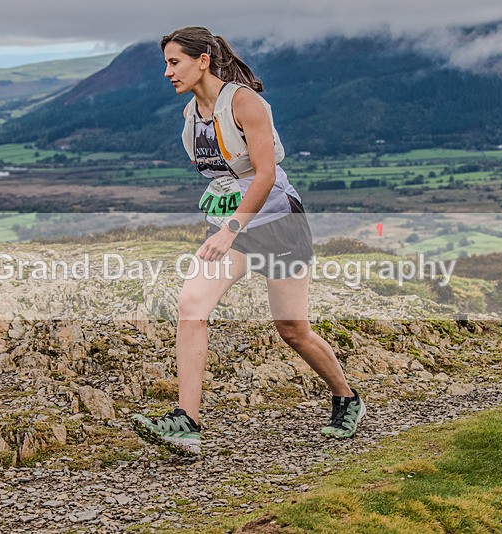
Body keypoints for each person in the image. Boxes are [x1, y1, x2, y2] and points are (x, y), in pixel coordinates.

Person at [132, 26, 365, 456]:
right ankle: (186, 421)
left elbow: (266, 174)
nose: (167, 72)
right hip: (230, 227)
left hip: (277, 224)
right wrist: (224, 218)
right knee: (191, 307)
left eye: (173, 61)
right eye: (165, 63)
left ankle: (347, 398)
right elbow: (225, 177)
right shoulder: (191, 115)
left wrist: (230, 229)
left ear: (202, 60)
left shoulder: (245, 103)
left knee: (292, 330)